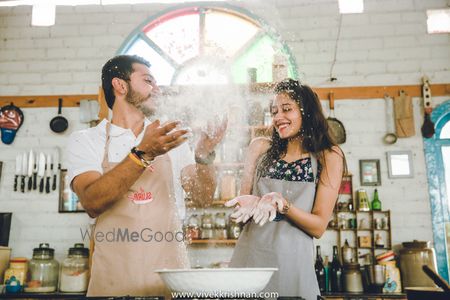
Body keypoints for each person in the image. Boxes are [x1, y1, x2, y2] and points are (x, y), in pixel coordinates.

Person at [67, 54, 226, 296]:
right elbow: (92, 201)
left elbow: (203, 197)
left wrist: (204, 155)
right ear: (120, 85)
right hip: (112, 287)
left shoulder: (171, 139)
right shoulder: (87, 140)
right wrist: (144, 152)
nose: (157, 89)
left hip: (169, 287)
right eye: (148, 80)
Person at [225, 78, 345, 299]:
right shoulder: (259, 148)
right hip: (250, 261)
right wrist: (247, 205)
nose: (278, 117)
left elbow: (318, 227)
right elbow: (241, 218)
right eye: (274, 111)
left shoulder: (328, 156)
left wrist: (284, 205)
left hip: (292, 267)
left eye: (286, 109)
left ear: (306, 112)